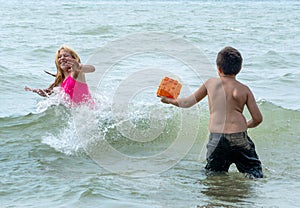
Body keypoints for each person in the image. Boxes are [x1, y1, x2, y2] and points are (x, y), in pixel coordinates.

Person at [160, 46, 263, 178]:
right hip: (239, 137)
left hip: (217, 138)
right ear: (239, 69)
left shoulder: (211, 83)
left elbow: (187, 103)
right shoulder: (244, 89)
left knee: (213, 173)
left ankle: (217, 193)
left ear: (219, 69)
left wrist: (168, 100)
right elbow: (258, 118)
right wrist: (246, 124)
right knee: (253, 171)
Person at [25, 45, 95, 105]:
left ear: (74, 59)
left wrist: (78, 66)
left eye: (65, 55)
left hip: (89, 110)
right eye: (59, 57)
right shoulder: (61, 80)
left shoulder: (77, 72)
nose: (62, 58)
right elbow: (51, 92)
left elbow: (92, 69)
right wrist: (38, 91)